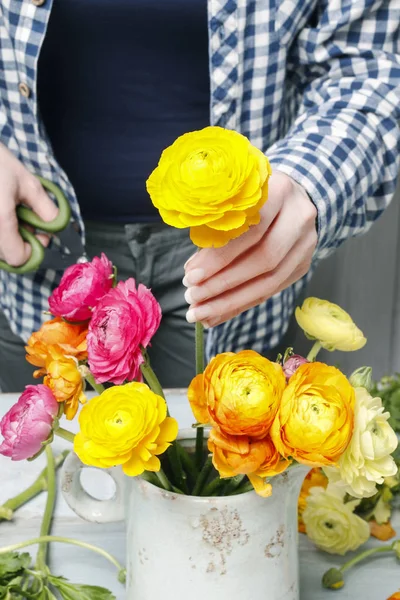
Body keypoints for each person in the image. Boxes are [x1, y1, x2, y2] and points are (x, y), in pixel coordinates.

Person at [0, 0, 399, 391]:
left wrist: (311, 181)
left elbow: (368, 70)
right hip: (32, 251)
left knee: (207, 446)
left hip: (236, 260)